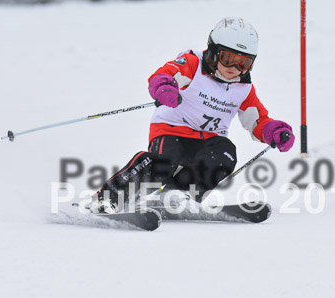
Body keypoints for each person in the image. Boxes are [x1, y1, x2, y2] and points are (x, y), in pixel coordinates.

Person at [92, 17, 295, 213]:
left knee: (225, 153)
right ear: (214, 51)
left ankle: (179, 195)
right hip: (171, 132)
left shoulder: (243, 88)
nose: (234, 68)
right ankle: (110, 198)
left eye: (244, 63)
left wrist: (273, 131)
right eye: (228, 59)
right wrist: (164, 87)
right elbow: (163, 75)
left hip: (209, 142)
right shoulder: (192, 64)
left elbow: (257, 119)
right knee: (163, 164)